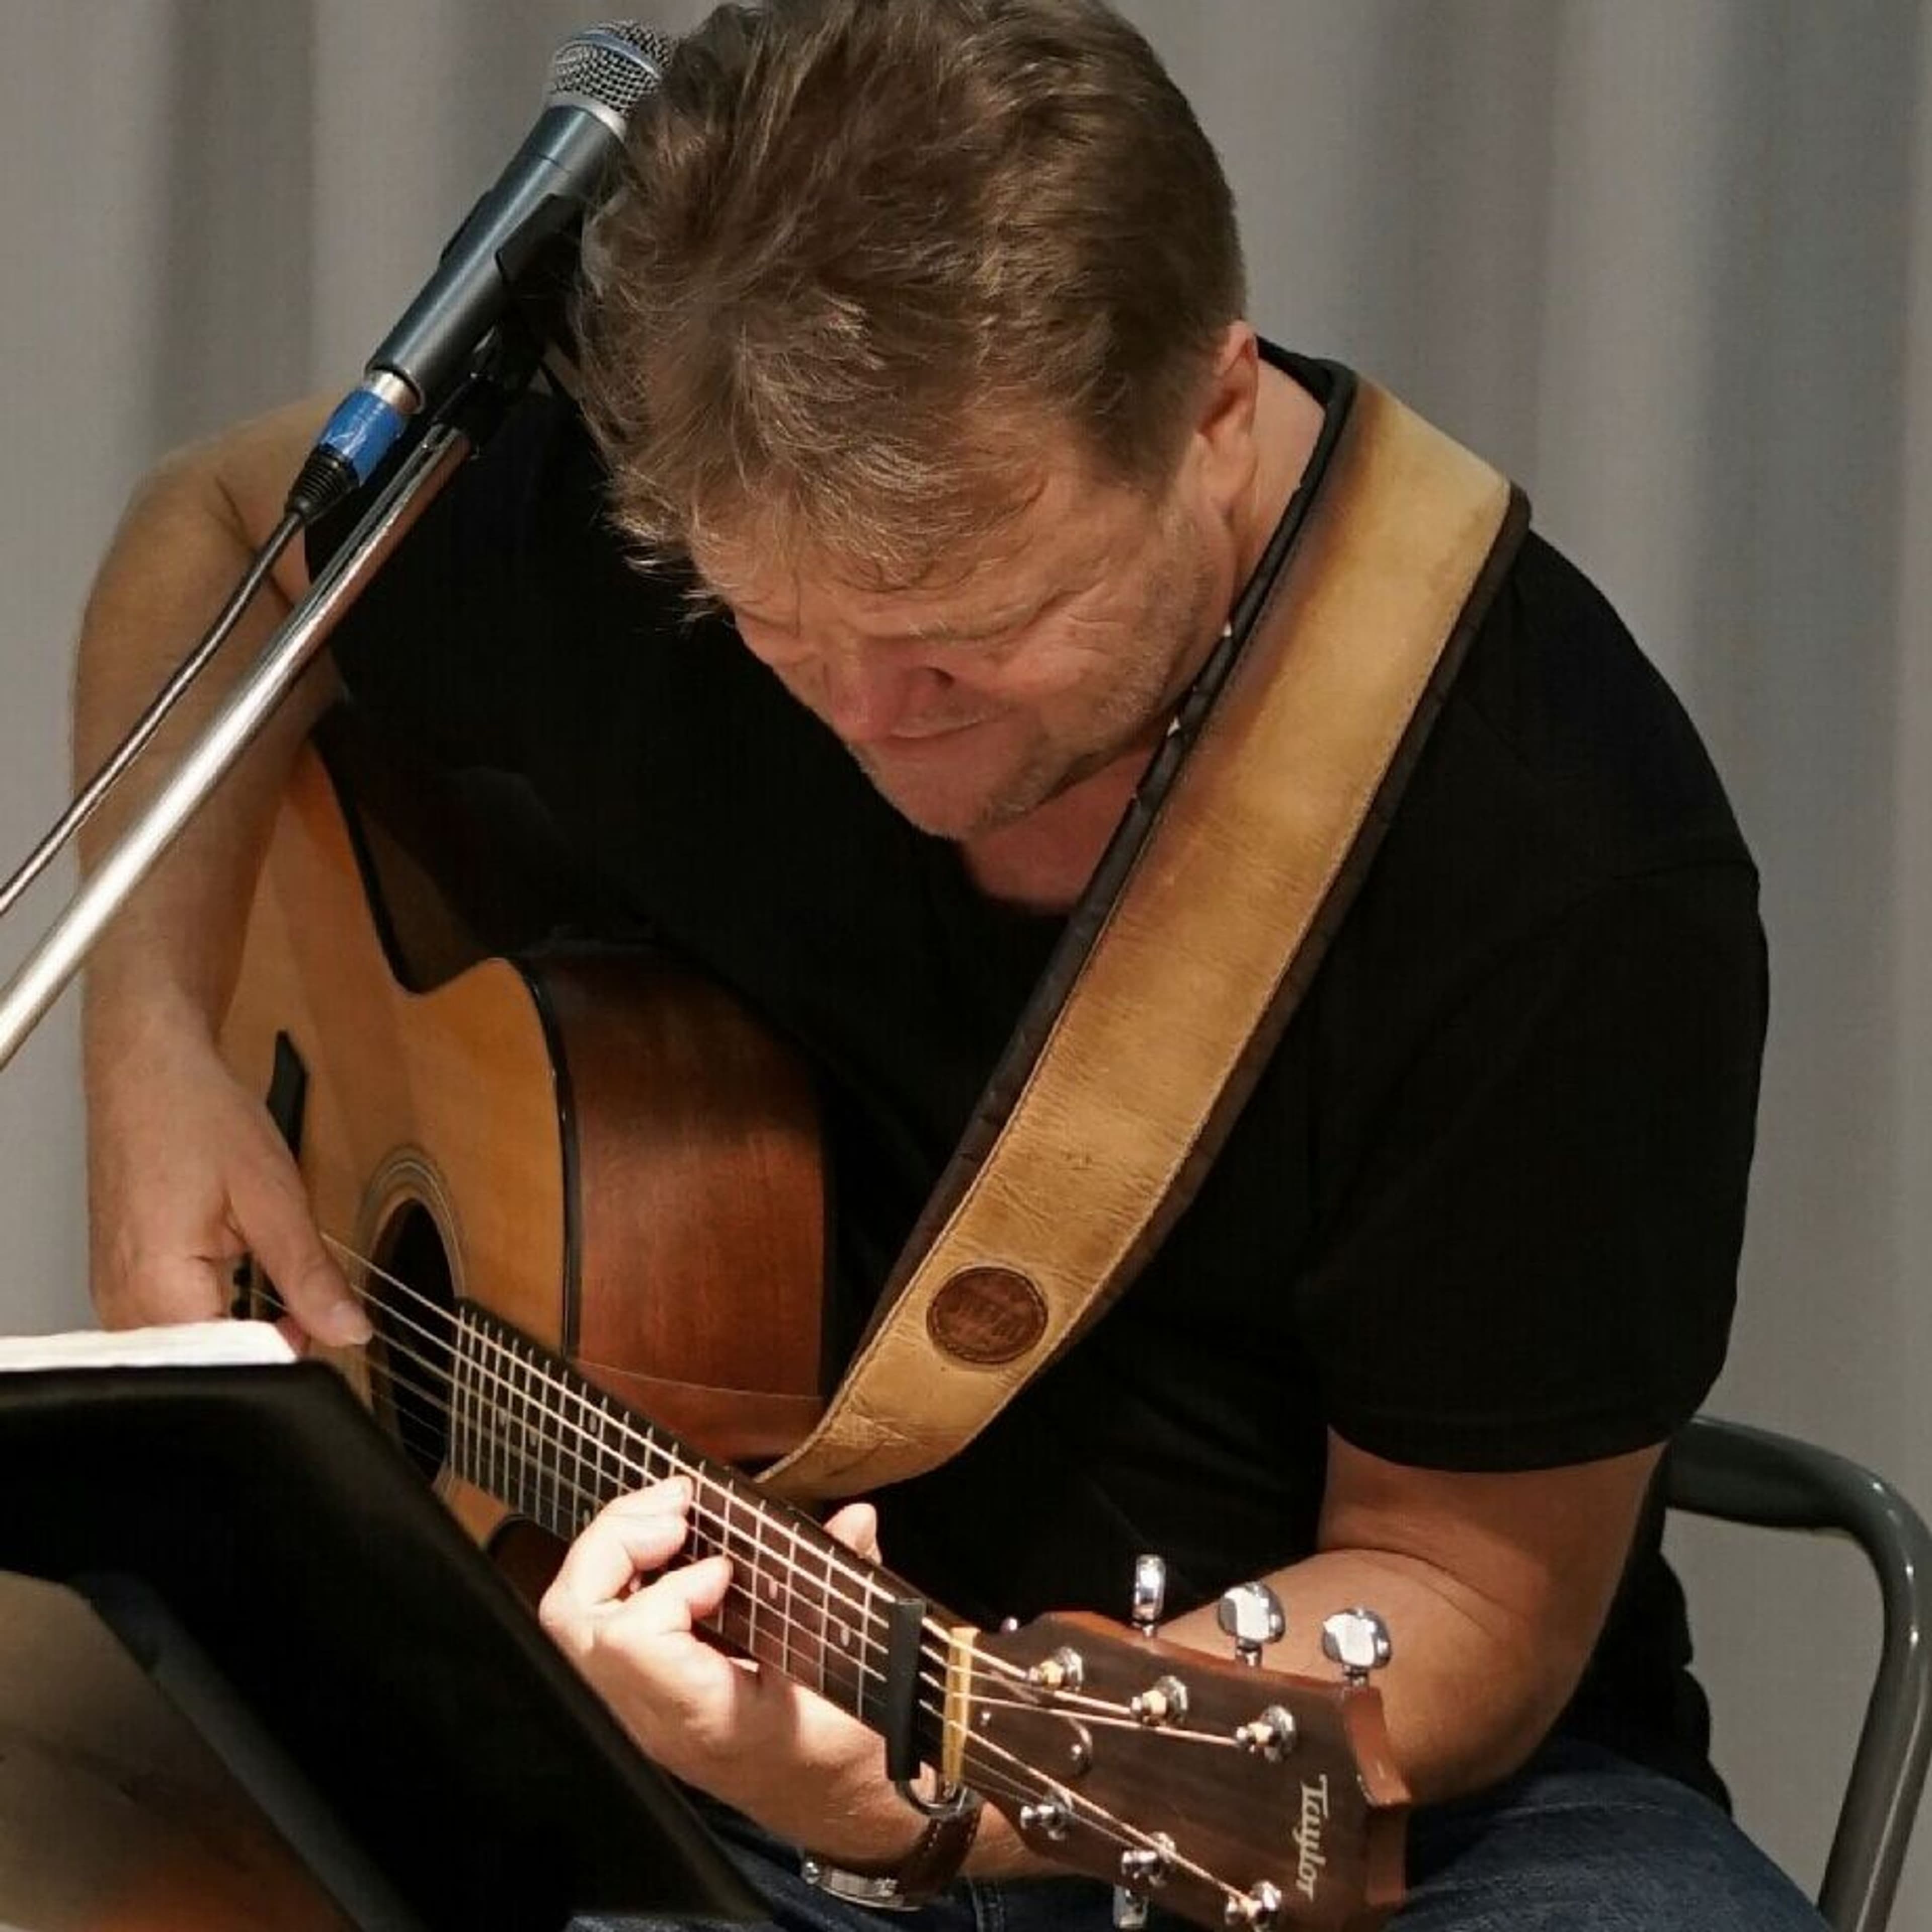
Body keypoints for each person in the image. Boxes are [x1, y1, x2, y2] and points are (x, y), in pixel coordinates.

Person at [74, 3, 1824, 1927]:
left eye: (971, 634)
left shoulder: (1558, 855)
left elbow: (1470, 1612)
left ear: (1212, 404)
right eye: (782, 628)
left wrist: (924, 1792)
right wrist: (153, 1045)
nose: (874, 716)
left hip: (1354, 1795)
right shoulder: (702, 540)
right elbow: (226, 529)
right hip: (706, 1696)